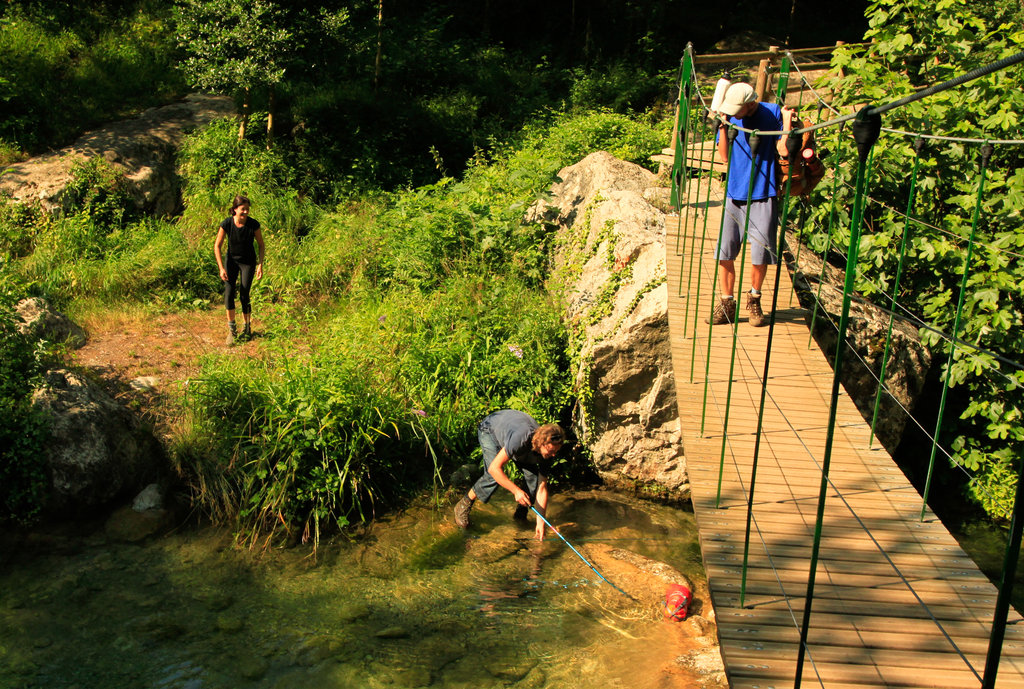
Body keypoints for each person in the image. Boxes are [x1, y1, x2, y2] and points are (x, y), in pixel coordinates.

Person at [708, 82, 794, 327]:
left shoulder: (773, 113)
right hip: (734, 192)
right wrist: (723, 127)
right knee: (725, 252)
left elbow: (784, 151)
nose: (734, 113)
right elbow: (724, 156)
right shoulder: (732, 118)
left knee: (759, 255)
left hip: (763, 192)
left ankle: (754, 298)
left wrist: (786, 122)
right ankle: (727, 303)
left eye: (737, 109)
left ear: (750, 103)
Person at [453, 410, 565, 541]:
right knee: (492, 476)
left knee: (534, 481)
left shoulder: (548, 453)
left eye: (555, 452)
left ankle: (520, 517)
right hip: (490, 430)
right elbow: (495, 468)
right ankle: (463, 504)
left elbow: (541, 488)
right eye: (551, 451)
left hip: (516, 439)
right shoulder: (522, 437)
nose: (553, 455)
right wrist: (516, 491)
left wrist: (541, 523)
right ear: (541, 442)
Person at [214, 195, 265, 345]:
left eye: (247, 210)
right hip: (231, 262)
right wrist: (221, 267)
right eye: (243, 209)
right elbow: (217, 246)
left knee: (244, 294)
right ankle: (232, 330)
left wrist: (260, 264)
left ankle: (247, 328)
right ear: (235, 209)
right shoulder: (227, 224)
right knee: (229, 294)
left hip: (248, 263)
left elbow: (261, 245)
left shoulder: (253, 225)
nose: (245, 212)